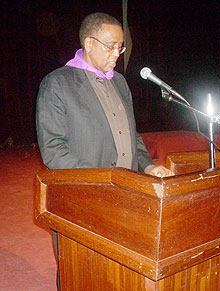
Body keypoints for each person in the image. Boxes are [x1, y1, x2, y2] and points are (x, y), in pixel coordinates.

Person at [36, 12, 173, 289]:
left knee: (114, 270)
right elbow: (53, 150)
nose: (117, 54)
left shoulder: (119, 82)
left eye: (120, 47)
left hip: (125, 192)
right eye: (110, 46)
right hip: (82, 196)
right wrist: (103, 179)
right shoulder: (58, 83)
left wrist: (147, 166)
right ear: (88, 43)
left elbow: (131, 134)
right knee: (80, 270)